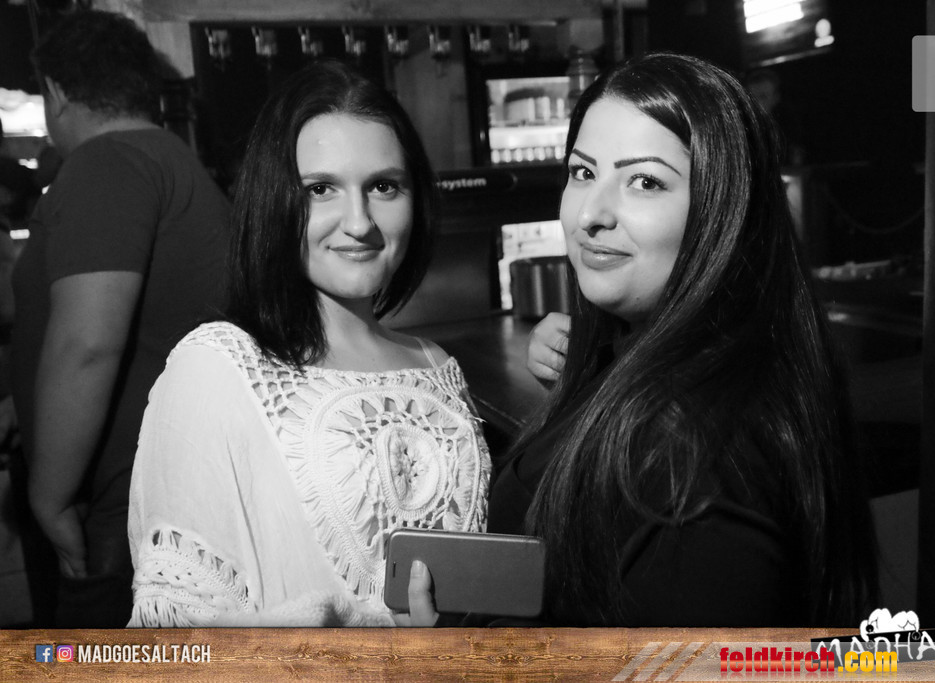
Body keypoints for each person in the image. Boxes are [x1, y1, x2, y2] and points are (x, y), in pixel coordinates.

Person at [478, 53, 876, 627]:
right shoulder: (649, 364)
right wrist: (592, 383)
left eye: (644, 182)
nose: (590, 214)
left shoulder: (705, 470)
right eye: (583, 173)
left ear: (723, 209)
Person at [126, 60, 491, 627]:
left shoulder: (435, 364)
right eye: (321, 189)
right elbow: (177, 630)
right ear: (274, 200)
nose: (359, 222)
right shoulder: (217, 367)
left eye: (384, 186)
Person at [10, 10, 230, 627]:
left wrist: (50, 497)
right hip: (157, 503)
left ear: (56, 91)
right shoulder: (167, 158)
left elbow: (87, 344)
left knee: (88, 662)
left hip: (114, 514)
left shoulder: (106, 162)